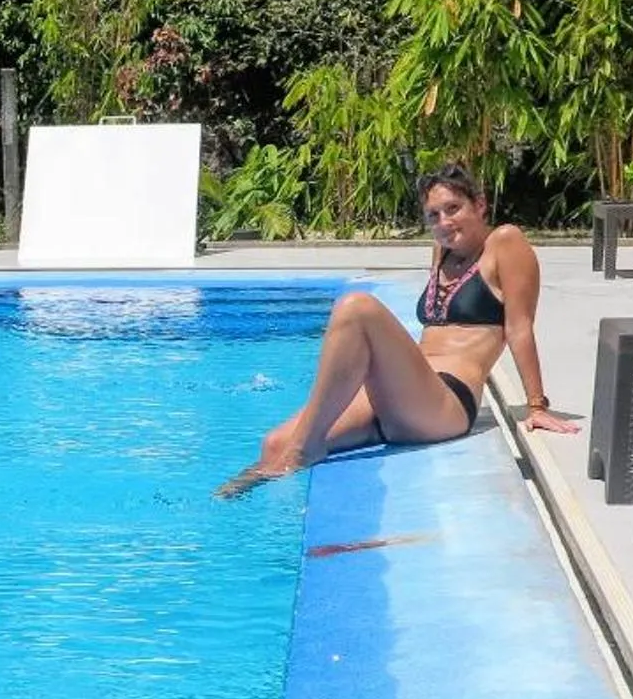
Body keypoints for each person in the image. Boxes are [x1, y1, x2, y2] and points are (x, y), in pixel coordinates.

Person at [219, 164, 580, 496]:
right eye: (433, 216)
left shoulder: (505, 242)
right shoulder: (441, 252)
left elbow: (519, 328)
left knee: (356, 307)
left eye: (453, 209)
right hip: (399, 395)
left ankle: (304, 448)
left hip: (444, 402)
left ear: (480, 205)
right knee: (274, 444)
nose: (443, 222)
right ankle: (234, 529)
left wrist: (536, 406)